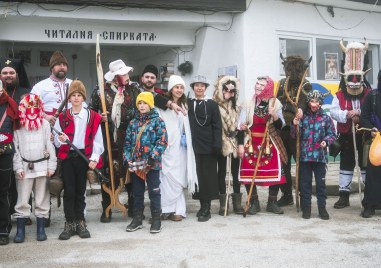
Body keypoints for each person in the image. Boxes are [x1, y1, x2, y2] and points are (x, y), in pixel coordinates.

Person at [89, 59, 140, 222]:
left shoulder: (134, 89)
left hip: (130, 136)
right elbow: (90, 113)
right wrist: (99, 117)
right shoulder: (100, 91)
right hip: (108, 137)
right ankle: (107, 207)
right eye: (123, 74)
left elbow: (143, 107)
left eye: (126, 73)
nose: (127, 76)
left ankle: (133, 206)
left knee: (131, 171)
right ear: (115, 77)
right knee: (108, 171)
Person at [53, 80, 104, 240]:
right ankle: (69, 223)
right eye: (73, 95)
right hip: (68, 158)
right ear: (69, 99)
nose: (76, 98)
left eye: (79, 95)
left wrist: (94, 157)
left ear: (83, 97)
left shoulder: (92, 116)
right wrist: (61, 139)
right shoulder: (62, 116)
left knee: (80, 191)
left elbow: (98, 139)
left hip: (84, 157)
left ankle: (81, 222)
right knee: (69, 191)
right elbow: (56, 140)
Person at [237, 76, 288, 215]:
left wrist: (275, 116)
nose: (258, 87)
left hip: (269, 141)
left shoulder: (275, 103)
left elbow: (281, 125)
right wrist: (241, 141)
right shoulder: (247, 102)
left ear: (268, 88)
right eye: (257, 84)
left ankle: (272, 202)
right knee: (248, 172)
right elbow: (240, 126)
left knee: (275, 171)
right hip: (251, 142)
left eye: (262, 85)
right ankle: (254, 202)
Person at [330, 39, 371, 209]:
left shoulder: (369, 94)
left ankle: (368, 195)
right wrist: (347, 114)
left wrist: (359, 113)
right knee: (346, 165)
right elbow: (333, 111)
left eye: (358, 78)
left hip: (365, 137)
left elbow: (371, 111)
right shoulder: (339, 95)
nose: (354, 81)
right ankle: (344, 195)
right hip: (346, 136)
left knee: (365, 166)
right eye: (351, 78)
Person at [12, 94, 57, 243]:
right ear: (23, 107)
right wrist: (18, 166)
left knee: (42, 198)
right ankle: (20, 230)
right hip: (24, 167)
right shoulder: (18, 124)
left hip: (42, 166)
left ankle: (40, 229)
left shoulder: (44, 124)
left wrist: (51, 165)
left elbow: (49, 146)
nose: (32, 109)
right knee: (22, 199)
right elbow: (15, 148)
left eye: (35, 106)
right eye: (28, 106)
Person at [124, 92, 168, 233]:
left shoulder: (158, 121)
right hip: (136, 164)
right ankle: (137, 218)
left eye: (144, 103)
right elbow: (127, 143)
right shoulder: (133, 123)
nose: (142, 106)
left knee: (154, 191)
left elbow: (163, 141)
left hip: (152, 164)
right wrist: (128, 159)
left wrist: (153, 157)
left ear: (150, 104)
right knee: (137, 192)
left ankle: (156, 220)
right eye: (139, 103)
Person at [157, 75, 197, 221]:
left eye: (181, 87)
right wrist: (171, 105)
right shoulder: (162, 104)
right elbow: (155, 98)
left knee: (178, 179)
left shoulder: (186, 105)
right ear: (171, 88)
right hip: (166, 148)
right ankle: (164, 210)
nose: (179, 90)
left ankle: (178, 210)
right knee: (165, 178)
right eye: (176, 87)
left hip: (181, 149)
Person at [293, 90, 336, 220]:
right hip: (305, 157)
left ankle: (322, 209)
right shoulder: (303, 117)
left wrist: (326, 141)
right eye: (312, 101)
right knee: (305, 185)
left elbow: (332, 134)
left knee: (321, 185)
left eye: (317, 101)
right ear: (308, 102)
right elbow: (294, 136)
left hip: (320, 157)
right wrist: (294, 125)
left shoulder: (326, 118)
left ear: (321, 103)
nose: (314, 104)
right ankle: (306, 209)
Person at [276, 55, 312, 207]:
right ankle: (286, 194)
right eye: (289, 70)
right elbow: (277, 102)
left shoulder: (306, 84)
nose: (291, 74)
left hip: (298, 130)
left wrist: (301, 110)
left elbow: (305, 102)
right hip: (282, 129)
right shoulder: (282, 83)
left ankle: (303, 194)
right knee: (283, 163)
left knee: (301, 163)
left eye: (295, 71)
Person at [1, 59, 31, 225]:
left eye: (11, 73)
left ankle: (23, 213)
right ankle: (5, 214)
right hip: (2, 143)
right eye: (5, 73)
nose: (8, 76)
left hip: (22, 142)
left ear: (17, 75)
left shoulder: (26, 92)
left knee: (23, 178)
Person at [188, 75, 222, 222]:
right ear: (193, 87)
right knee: (198, 177)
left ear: (206, 88)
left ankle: (206, 208)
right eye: (197, 85)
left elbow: (217, 126)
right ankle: (201, 205)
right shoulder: (188, 103)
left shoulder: (212, 105)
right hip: (193, 147)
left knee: (207, 177)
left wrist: (217, 145)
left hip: (208, 146)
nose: (199, 88)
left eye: (202, 85)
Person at [212, 76, 243, 215]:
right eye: (226, 89)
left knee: (236, 173)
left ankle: (237, 203)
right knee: (222, 172)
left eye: (232, 91)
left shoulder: (237, 106)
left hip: (234, 140)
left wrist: (240, 142)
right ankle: (223, 204)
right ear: (221, 89)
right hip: (222, 141)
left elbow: (241, 127)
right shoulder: (214, 105)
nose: (229, 93)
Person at [0, 80, 20, 246]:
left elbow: (18, 126)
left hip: (4, 153)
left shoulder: (10, 106)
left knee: (3, 192)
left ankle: (3, 230)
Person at [360, 70, 381, 218]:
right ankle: (370, 205)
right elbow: (364, 117)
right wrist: (370, 130)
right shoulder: (372, 96)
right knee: (373, 174)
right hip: (376, 140)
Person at [31, 50, 73, 125]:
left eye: (64, 65)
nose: (62, 67)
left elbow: (83, 106)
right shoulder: (40, 86)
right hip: (48, 125)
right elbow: (31, 105)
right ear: (52, 68)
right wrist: (45, 117)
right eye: (59, 64)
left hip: (72, 124)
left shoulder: (74, 84)